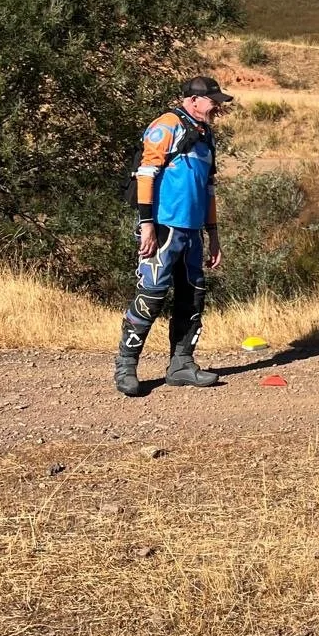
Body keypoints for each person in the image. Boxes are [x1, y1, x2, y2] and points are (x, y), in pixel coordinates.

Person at [114, 75, 232, 397]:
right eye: (213, 101)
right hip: (163, 227)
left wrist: (213, 234)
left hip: (193, 231)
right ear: (193, 100)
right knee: (151, 295)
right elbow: (146, 175)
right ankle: (126, 367)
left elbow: (209, 188)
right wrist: (147, 224)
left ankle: (181, 365)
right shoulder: (166, 125)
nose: (217, 107)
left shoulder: (206, 136)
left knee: (192, 297)